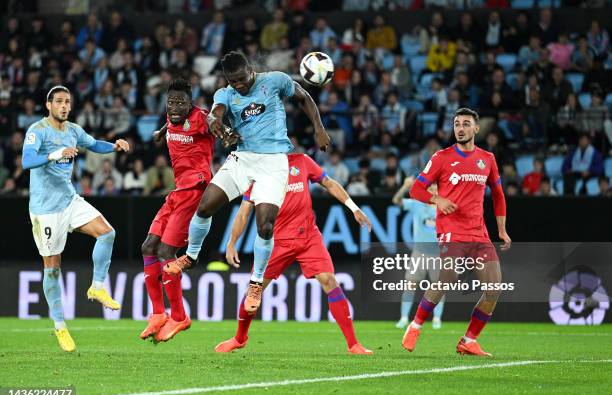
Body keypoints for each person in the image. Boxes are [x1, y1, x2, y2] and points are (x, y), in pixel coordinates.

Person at [163, 51, 330, 315]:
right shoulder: (226, 93)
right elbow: (215, 113)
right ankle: (191, 256)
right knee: (205, 206)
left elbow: (304, 96)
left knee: (265, 225)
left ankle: (255, 283)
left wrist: (319, 128)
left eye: (242, 79)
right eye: (234, 81)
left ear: (251, 70)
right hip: (242, 158)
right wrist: (218, 123)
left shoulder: (275, 80)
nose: (239, 85)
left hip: (275, 162)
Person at [216, 153, 373, 355]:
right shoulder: (258, 170)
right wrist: (231, 243)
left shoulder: (302, 160)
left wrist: (353, 208)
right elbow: (244, 211)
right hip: (276, 242)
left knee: (329, 280)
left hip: (308, 236)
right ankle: (239, 338)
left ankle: (353, 344)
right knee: (254, 290)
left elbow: (329, 183)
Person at [22, 85, 130, 352]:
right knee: (53, 268)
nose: (64, 106)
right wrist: (56, 154)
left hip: (69, 201)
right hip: (45, 210)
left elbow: (94, 145)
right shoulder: (37, 131)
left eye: (67, 102)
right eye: (59, 102)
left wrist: (114, 146)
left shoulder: (72, 130)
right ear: (48, 105)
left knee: (107, 232)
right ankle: (60, 326)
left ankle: (97, 286)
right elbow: (26, 160)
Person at [404, 108, 510, 357]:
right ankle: (416, 325)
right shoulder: (441, 157)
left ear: (476, 128)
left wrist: (502, 229)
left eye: (465, 124)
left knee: (494, 288)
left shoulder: (488, 159)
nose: (460, 128)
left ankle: (469, 340)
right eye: (456, 124)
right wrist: (438, 200)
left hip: (478, 232)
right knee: (447, 278)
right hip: (451, 229)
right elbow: (416, 190)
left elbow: (498, 195)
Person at [139, 78, 215, 342]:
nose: (175, 107)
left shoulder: (202, 118)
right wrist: (162, 131)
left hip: (195, 189)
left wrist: (226, 131)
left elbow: (215, 122)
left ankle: (180, 316)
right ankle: (159, 313)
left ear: (191, 103)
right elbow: (173, 121)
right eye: (171, 102)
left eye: (181, 102)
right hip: (177, 190)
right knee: (148, 247)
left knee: (165, 252)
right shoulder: (172, 116)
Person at [392, 176, 445, 330]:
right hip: (419, 252)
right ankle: (403, 318)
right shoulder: (417, 204)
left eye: (436, 189)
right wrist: (404, 187)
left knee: (439, 287)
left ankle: (437, 318)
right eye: (430, 189)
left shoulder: (445, 207)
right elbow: (396, 201)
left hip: (439, 253)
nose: (433, 191)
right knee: (410, 284)